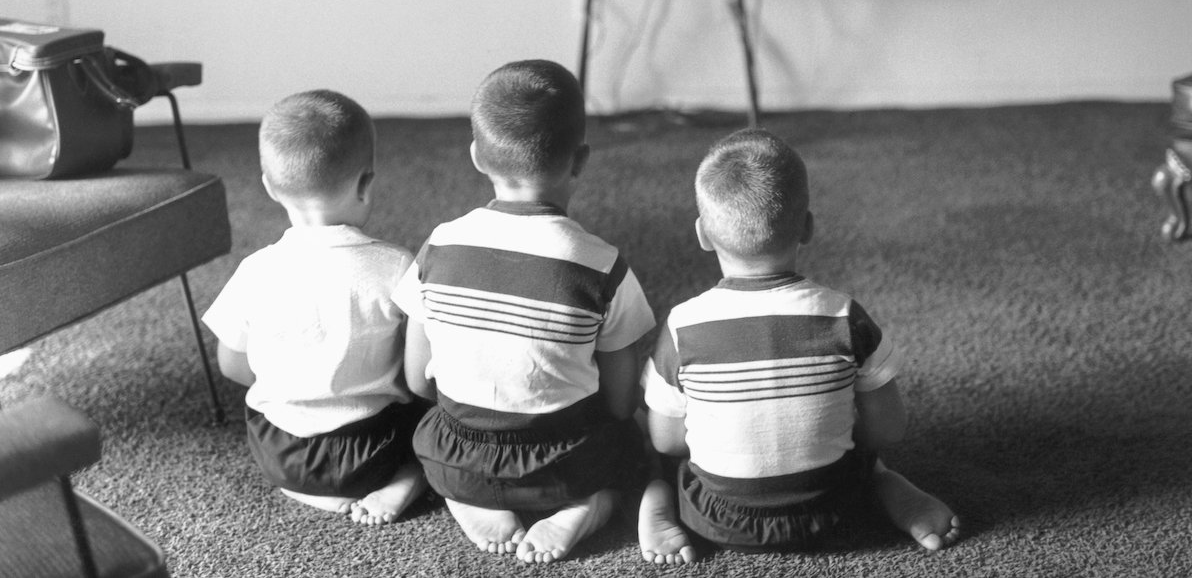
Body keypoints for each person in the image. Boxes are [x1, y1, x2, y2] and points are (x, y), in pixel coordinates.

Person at [638, 128, 961, 563]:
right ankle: (882, 480)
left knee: (649, 453)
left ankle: (656, 501)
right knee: (858, 448)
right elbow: (889, 428)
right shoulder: (845, 316)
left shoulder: (683, 326)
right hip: (836, 508)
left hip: (720, 519)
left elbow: (667, 440)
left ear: (702, 234)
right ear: (807, 226)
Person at [395, 59, 656, 565]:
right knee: (633, 440)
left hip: (455, 457)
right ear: (580, 161)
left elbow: (416, 380)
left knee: (426, 427)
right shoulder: (604, 267)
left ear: (476, 156)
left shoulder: (438, 247)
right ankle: (588, 506)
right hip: (566, 463)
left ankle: (465, 497)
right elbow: (621, 402)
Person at [203, 90, 428, 526]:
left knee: (263, 409)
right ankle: (408, 477)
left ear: (269, 187)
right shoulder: (396, 266)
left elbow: (232, 365)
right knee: (432, 408)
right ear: (366, 184)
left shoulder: (256, 270)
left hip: (281, 451)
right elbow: (413, 366)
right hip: (374, 448)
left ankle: (306, 491)